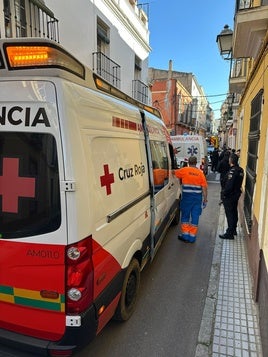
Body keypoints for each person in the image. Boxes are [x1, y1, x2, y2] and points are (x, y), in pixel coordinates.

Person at [175, 156, 208, 243]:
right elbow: (204, 188)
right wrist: (205, 199)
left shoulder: (184, 170)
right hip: (197, 199)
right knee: (195, 217)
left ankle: (185, 235)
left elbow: (173, 173)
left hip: (187, 198)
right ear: (196, 162)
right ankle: (192, 237)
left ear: (188, 163)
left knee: (185, 216)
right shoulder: (200, 173)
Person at [219, 153, 244, 240]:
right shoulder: (240, 170)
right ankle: (233, 230)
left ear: (231, 161)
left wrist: (224, 194)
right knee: (234, 212)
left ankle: (229, 233)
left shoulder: (233, 171)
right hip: (236, 194)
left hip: (230, 196)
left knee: (230, 214)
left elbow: (229, 186)